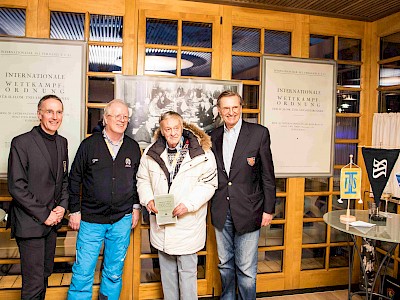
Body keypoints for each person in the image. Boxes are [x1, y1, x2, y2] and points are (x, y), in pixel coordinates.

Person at [137, 111, 217, 300]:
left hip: (188, 225)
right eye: (168, 129)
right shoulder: (151, 153)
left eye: (176, 128)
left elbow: (209, 184)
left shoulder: (203, 154)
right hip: (162, 225)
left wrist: (188, 205)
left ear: (182, 128)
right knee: (167, 275)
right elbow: (142, 180)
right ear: (162, 131)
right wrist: (148, 199)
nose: (172, 133)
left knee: (187, 274)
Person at [67, 99, 141, 300]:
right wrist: (74, 210)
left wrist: (135, 207)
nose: (122, 120)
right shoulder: (89, 145)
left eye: (125, 116)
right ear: (105, 118)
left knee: (114, 273)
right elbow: (74, 178)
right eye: (117, 116)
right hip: (91, 221)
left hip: (121, 219)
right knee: (83, 272)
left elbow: (138, 181)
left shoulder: (133, 147)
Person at [210, 90, 276, 300]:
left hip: (250, 210)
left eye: (235, 107)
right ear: (219, 111)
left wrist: (269, 209)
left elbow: (268, 175)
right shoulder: (213, 136)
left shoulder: (259, 133)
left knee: (247, 270)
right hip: (221, 209)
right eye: (226, 108)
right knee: (224, 265)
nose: (231, 112)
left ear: (241, 108)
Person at [7, 94, 69, 300]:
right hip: (30, 223)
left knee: (44, 276)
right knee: (33, 284)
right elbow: (16, 186)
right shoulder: (21, 143)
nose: (55, 116)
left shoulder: (62, 142)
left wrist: (61, 207)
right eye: (49, 111)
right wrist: (45, 215)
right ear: (39, 114)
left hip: (52, 224)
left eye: (59, 112)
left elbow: (64, 180)